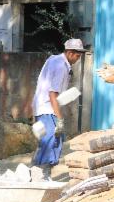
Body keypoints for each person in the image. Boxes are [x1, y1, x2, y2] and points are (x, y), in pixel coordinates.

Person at [32, 38, 87, 179]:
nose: (78, 58)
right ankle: (41, 173)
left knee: (53, 138)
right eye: (77, 55)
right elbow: (52, 94)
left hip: (42, 106)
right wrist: (60, 118)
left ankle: (39, 170)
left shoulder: (55, 60)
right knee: (51, 138)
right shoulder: (61, 66)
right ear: (69, 52)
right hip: (47, 107)